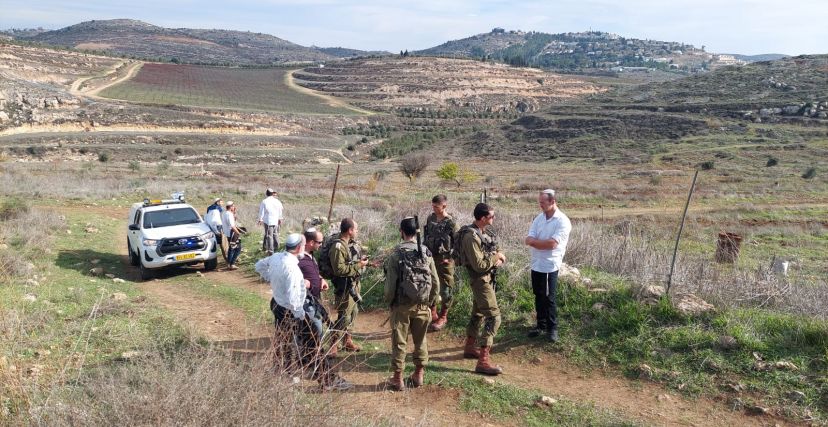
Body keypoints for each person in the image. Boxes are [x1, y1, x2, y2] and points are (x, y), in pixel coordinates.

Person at [255, 234, 352, 391]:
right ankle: (327, 380)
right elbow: (294, 300)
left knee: (283, 340)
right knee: (313, 345)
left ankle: (283, 373)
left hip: (278, 304)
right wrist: (301, 317)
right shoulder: (292, 268)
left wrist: (274, 280)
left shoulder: (276, 257)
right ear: (299, 247)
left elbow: (258, 266)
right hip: (291, 309)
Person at [384, 217, 440, 391]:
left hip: (401, 305)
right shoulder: (426, 253)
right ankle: (418, 374)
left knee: (399, 341)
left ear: (401, 231)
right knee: (420, 340)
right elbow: (436, 282)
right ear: (417, 232)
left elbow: (390, 285)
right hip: (422, 304)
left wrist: (390, 302)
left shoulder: (396, 254)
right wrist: (430, 303)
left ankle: (397, 378)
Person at [458, 203, 506, 375]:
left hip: (487, 278)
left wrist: (498, 257)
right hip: (480, 280)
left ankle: (470, 347)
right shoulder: (470, 237)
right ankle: (483, 362)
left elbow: (496, 249)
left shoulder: (485, 232)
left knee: (478, 312)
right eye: (491, 216)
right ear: (483, 218)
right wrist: (496, 258)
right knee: (494, 317)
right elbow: (479, 265)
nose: (493, 219)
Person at [524, 189, 572, 343]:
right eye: (539, 202)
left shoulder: (562, 221)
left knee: (549, 298)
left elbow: (552, 244)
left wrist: (535, 243)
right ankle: (541, 325)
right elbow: (528, 238)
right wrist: (539, 244)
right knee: (538, 295)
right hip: (536, 263)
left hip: (549, 265)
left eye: (543, 203)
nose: (540, 205)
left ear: (552, 202)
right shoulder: (539, 218)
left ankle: (552, 328)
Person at [329, 218, 369, 353]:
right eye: (356, 229)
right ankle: (333, 343)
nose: (357, 231)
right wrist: (359, 265)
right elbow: (339, 270)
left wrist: (362, 262)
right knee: (344, 316)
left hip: (354, 284)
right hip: (344, 286)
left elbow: (350, 262)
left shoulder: (350, 244)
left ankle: (347, 341)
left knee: (353, 313)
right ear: (350, 230)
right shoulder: (338, 247)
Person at [422, 194, 459, 332]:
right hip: (430, 259)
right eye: (432, 205)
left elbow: (459, 244)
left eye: (436, 206)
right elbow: (426, 236)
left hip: (445, 261)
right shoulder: (431, 218)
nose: (434, 208)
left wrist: (450, 258)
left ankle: (443, 316)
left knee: (446, 288)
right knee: (431, 284)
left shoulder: (451, 223)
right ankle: (433, 311)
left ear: (444, 206)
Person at [298, 228, 329, 345]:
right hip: (305, 301)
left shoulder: (311, 256)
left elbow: (314, 273)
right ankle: (311, 357)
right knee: (316, 328)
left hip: (314, 300)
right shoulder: (298, 258)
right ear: (311, 242)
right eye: (319, 242)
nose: (321, 245)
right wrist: (302, 282)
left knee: (314, 329)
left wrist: (321, 279)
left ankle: (311, 356)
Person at [258, 188, 284, 256]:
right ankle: (277, 248)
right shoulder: (277, 201)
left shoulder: (264, 201)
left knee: (270, 236)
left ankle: (271, 251)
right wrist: (280, 218)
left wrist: (260, 219)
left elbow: (261, 211)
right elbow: (280, 210)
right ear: (272, 194)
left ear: (266, 193)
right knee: (275, 234)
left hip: (268, 221)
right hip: (276, 220)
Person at [222, 201, 243, 270]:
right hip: (233, 233)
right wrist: (238, 233)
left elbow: (233, 220)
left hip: (228, 233)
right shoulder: (229, 214)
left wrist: (234, 212)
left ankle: (229, 263)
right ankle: (232, 263)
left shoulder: (224, 213)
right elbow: (232, 225)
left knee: (232, 248)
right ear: (231, 207)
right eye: (233, 206)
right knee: (237, 248)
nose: (234, 207)